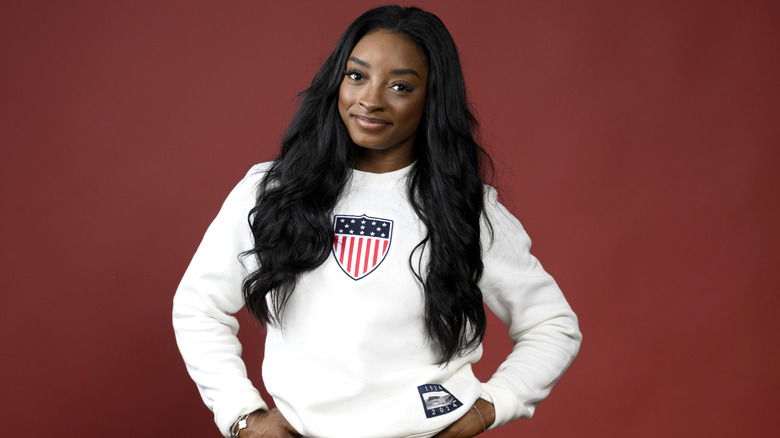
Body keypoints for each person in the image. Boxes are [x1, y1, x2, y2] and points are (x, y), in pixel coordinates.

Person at [172, 5, 581, 438]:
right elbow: (198, 306)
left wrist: (487, 409)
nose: (370, 99)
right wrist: (243, 416)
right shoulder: (272, 190)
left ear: (431, 99)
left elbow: (551, 326)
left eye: (400, 86)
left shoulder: (465, 207)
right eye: (357, 76)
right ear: (337, 82)